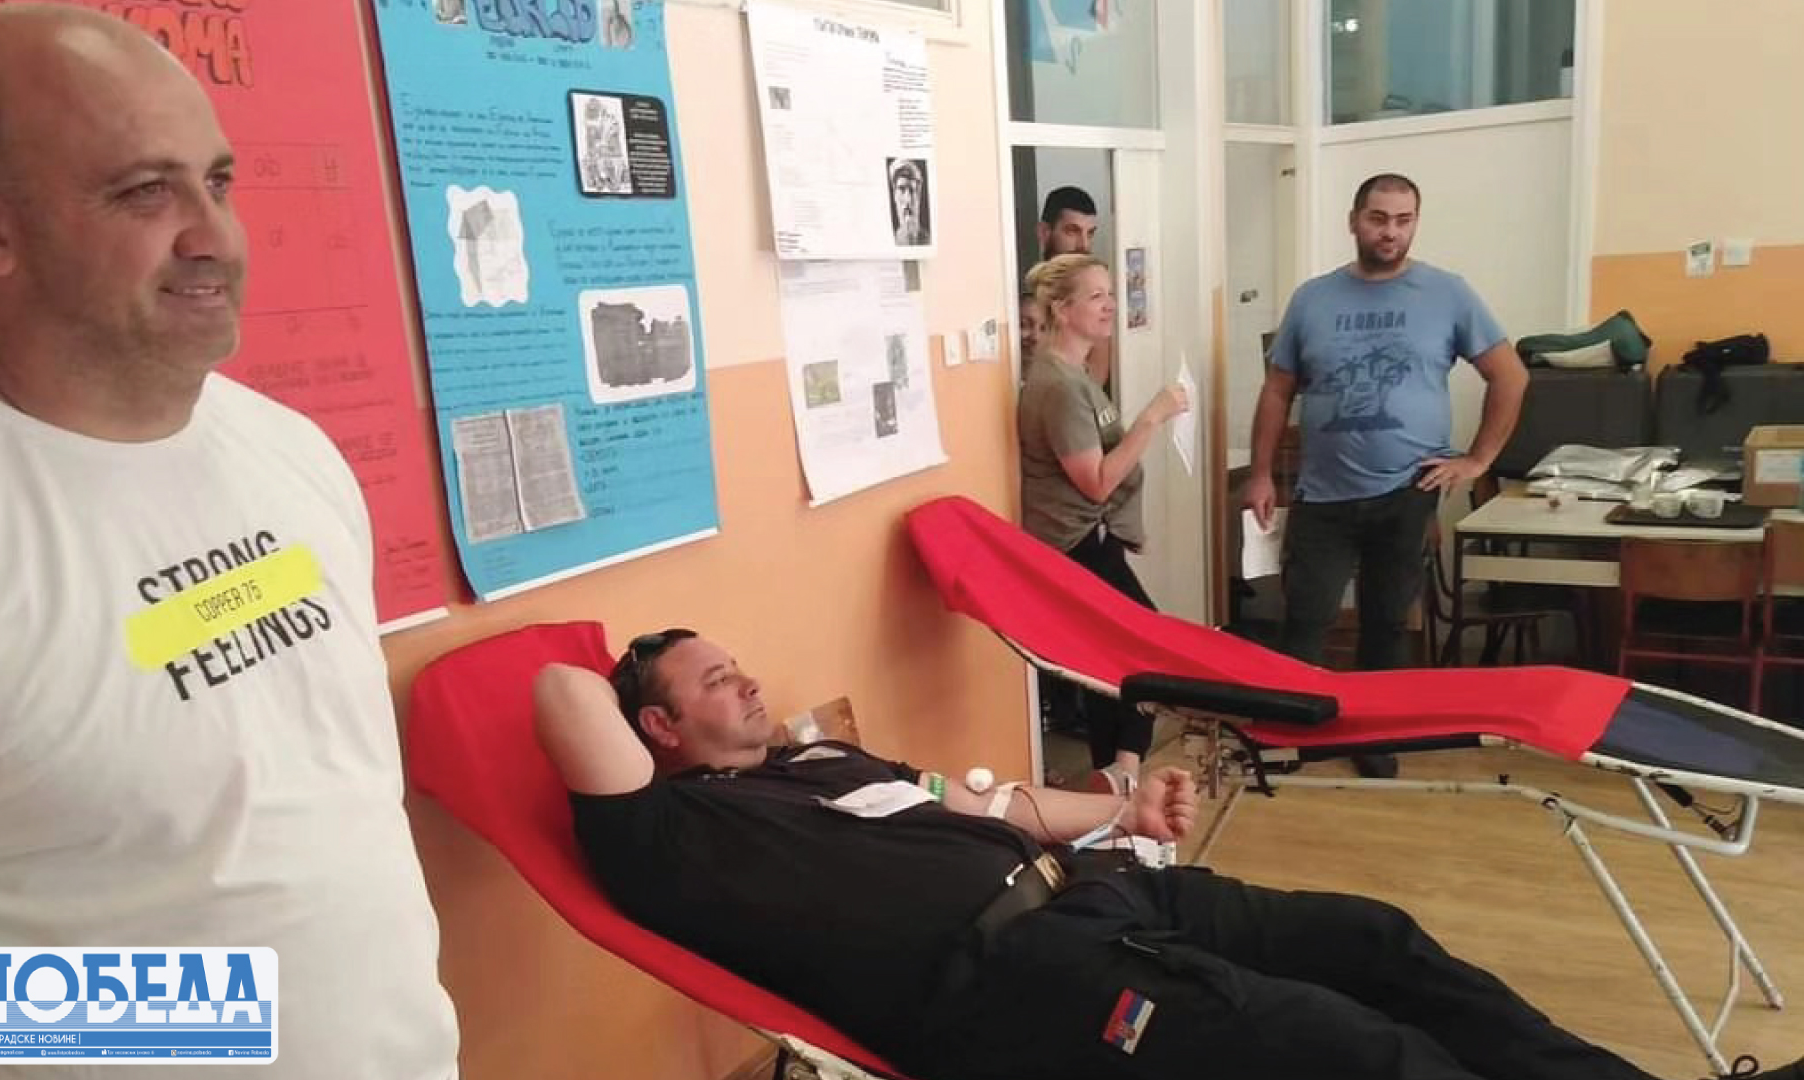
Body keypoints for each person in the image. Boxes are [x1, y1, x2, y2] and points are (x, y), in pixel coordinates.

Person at [0, 7, 459, 1077]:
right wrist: (168, 1029)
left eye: (219, 183)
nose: (215, 238)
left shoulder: (290, 448)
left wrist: (302, 1020)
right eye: (146, 191)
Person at [536, 628, 1803, 1080]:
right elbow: (557, 686)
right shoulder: (667, 837)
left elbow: (983, 803)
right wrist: (626, 674)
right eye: (711, 680)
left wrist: (1118, 813)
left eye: (736, 663)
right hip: (1021, 985)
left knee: (1378, 941)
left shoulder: (818, 762)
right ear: (658, 730)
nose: (745, 680)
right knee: (1353, 1050)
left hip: (1097, 894)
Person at [1242, 173, 1529, 779]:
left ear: (1415, 223)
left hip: (1406, 492)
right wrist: (1261, 474)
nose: (1390, 231)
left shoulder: (1447, 293)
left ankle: (1372, 735)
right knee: (1306, 619)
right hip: (1322, 495)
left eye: (1403, 220)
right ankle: (1287, 734)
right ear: (1354, 221)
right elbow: (1276, 391)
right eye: (1378, 218)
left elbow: (1510, 376)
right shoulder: (1312, 299)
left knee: (1386, 623)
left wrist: (1477, 460)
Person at [1018, 255, 1188, 791]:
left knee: (1108, 663)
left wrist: (1124, 527)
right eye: (1096, 296)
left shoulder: (1079, 375)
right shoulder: (1058, 386)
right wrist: (1152, 417)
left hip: (1095, 539)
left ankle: (1118, 773)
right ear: (1061, 309)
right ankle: (1123, 769)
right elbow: (1095, 480)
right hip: (1074, 547)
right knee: (1145, 647)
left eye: (1110, 293)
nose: (1110, 304)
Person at [1034, 185, 1111, 391]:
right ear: (1044, 232)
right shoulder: (1025, 293)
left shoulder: (1093, 295)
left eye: (1090, 233)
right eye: (1072, 231)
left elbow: (1095, 380)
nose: (1083, 245)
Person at [890, 158, 930, 246]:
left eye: (912, 190)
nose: (908, 199)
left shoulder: (929, 240)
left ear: (918, 196)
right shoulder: (889, 240)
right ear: (894, 195)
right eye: (901, 189)